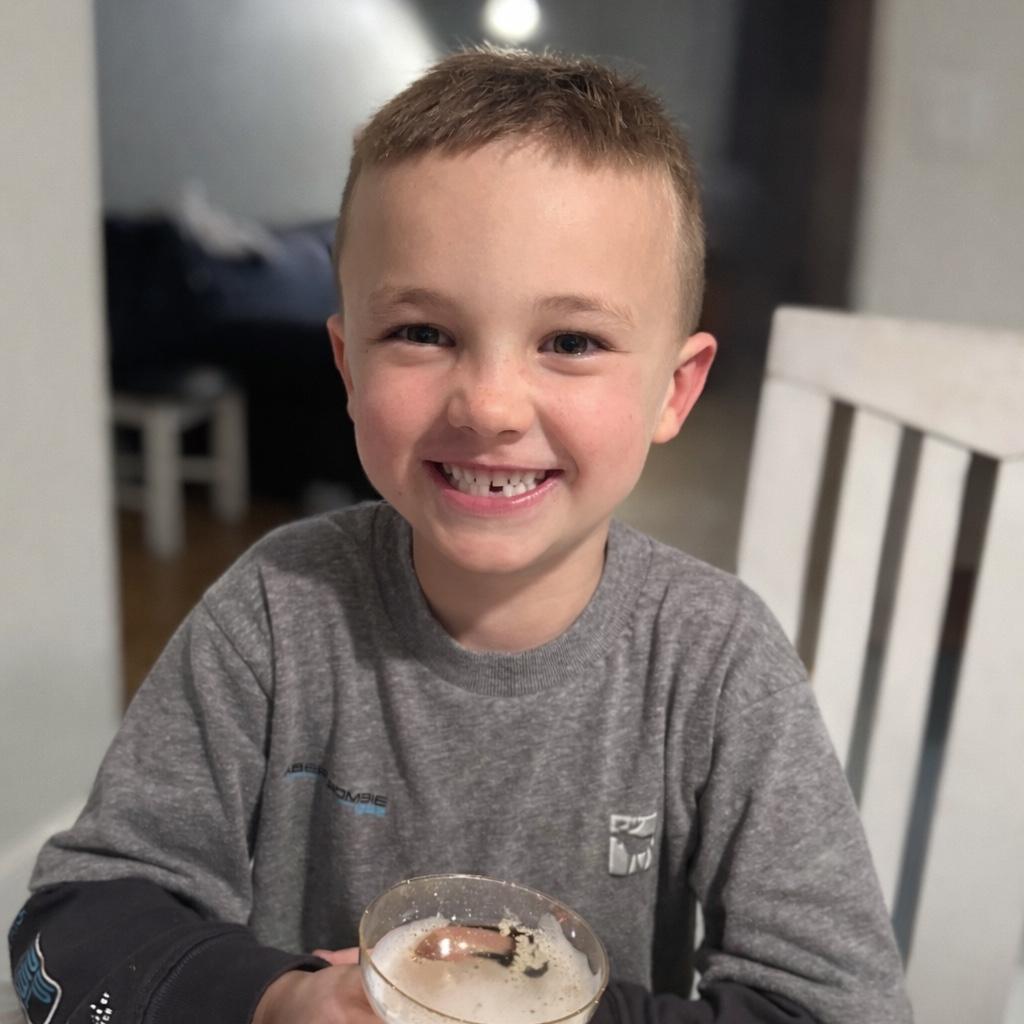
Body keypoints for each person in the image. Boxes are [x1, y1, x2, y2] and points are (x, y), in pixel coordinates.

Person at [7, 48, 912, 1024]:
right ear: (348, 366)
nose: (488, 406)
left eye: (570, 342)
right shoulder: (276, 614)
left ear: (675, 389)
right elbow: (69, 929)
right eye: (422, 333)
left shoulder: (715, 660)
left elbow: (843, 1008)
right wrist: (273, 1000)